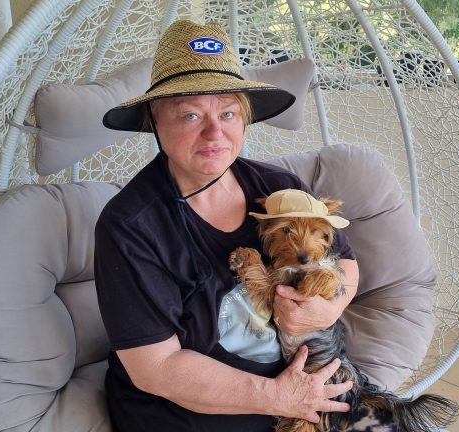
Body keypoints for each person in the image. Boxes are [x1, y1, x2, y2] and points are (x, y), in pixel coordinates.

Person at [95, 19, 368, 431]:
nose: (214, 132)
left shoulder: (280, 192)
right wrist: (279, 397)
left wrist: (325, 308)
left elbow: (344, 261)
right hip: (189, 414)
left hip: (298, 399)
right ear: (155, 119)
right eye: (190, 115)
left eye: (227, 112)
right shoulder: (130, 227)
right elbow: (156, 368)